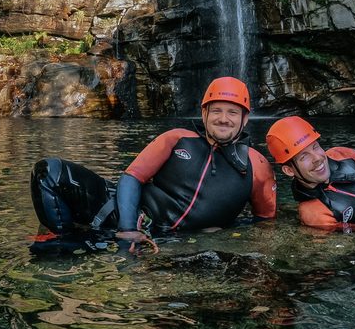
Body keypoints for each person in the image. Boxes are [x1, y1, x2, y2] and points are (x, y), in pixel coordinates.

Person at [30, 77, 276, 249]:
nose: (223, 119)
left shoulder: (257, 165)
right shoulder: (177, 138)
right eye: (216, 111)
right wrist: (128, 229)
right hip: (126, 214)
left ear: (245, 119)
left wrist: (223, 231)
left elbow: (264, 221)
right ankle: (62, 240)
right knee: (48, 172)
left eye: (232, 112)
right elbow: (132, 177)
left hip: (173, 240)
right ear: (204, 114)